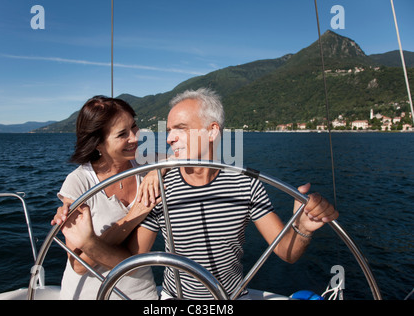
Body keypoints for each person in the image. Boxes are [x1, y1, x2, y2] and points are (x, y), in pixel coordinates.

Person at [63, 89, 339, 300]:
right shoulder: (161, 186)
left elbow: (286, 252)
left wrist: (302, 227)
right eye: (168, 130)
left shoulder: (246, 184)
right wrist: (155, 174)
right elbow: (133, 260)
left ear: (212, 131)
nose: (169, 138)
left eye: (179, 129)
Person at [53, 95, 160, 300]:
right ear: (98, 144)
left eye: (134, 127)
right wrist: (134, 215)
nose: (135, 138)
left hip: (140, 294)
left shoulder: (147, 168)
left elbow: (180, 159)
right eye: (122, 134)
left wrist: (157, 172)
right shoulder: (78, 183)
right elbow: (78, 264)